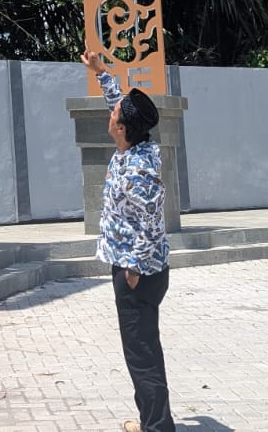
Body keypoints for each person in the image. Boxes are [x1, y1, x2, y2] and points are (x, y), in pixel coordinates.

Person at [81, 49, 175, 432]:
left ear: (121, 129)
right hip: (140, 270)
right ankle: (152, 421)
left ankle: (156, 427)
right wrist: (101, 72)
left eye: (114, 115)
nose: (111, 114)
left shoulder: (138, 168)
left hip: (139, 274)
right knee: (143, 350)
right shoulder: (136, 146)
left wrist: (133, 265)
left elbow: (152, 219)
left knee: (142, 356)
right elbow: (119, 103)